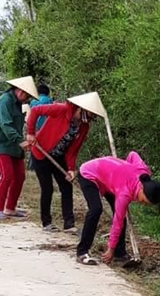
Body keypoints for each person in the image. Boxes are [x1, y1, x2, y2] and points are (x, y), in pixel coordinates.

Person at [26, 93, 100, 233]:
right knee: (47, 188)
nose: (90, 118)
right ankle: (46, 222)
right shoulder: (61, 109)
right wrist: (30, 133)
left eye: (93, 116)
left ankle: (69, 224)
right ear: (82, 108)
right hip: (41, 153)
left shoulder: (84, 127)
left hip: (59, 157)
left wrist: (71, 168)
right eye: (90, 114)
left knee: (67, 187)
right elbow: (35, 111)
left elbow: (73, 150)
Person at [76, 150, 160, 265]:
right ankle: (82, 252)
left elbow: (133, 154)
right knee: (96, 209)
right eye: (143, 201)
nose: (142, 203)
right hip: (89, 173)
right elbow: (117, 223)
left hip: (111, 181)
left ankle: (120, 253)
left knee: (122, 216)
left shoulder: (144, 172)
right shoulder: (124, 194)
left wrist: (124, 169)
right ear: (142, 188)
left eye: (146, 204)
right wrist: (110, 248)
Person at [0, 76, 39, 220]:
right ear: (20, 91)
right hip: (1, 145)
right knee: (7, 175)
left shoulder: (17, 103)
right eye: (27, 95)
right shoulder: (4, 101)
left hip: (14, 146)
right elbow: (6, 124)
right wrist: (20, 141)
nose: (27, 99)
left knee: (20, 176)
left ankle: (10, 208)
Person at [27, 84, 53, 170]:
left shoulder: (33, 101)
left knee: (33, 145)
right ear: (47, 92)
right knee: (44, 147)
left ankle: (31, 165)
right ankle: (44, 165)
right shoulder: (48, 100)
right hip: (44, 127)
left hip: (34, 126)